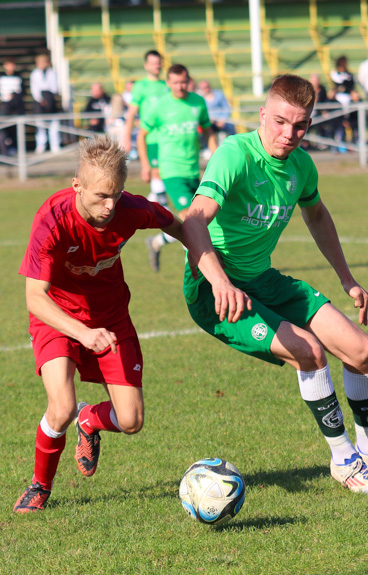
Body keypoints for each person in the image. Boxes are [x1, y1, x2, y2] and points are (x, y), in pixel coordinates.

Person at [180, 74, 368, 495]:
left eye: (300, 126)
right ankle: (343, 460)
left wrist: (346, 277)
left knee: (363, 350)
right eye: (280, 122)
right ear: (263, 114)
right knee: (309, 352)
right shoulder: (234, 155)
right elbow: (193, 220)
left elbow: (316, 215)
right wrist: (221, 282)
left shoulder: (301, 165)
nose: (288, 134)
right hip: (214, 291)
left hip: (261, 278)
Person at [12, 135, 184, 513]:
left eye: (117, 195)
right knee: (60, 406)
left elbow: (180, 225)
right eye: (100, 196)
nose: (109, 206)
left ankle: (90, 420)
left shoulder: (130, 209)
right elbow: (34, 297)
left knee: (132, 419)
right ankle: (40, 486)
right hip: (57, 316)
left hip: (110, 317)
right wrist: (83, 333)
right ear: (77, 186)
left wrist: (212, 267)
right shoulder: (52, 220)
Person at [138, 64, 216, 271]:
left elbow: (208, 131)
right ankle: (198, 268)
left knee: (201, 221)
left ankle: (157, 242)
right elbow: (141, 134)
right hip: (171, 171)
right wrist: (146, 164)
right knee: (189, 219)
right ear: (168, 82)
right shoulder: (159, 106)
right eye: (175, 82)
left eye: (183, 82)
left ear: (188, 80)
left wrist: (216, 157)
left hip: (193, 170)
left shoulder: (197, 102)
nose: (179, 86)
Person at [121, 50, 169, 202]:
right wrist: (127, 139)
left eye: (159, 62)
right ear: (146, 65)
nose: (157, 66)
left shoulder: (166, 86)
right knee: (155, 172)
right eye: (154, 63)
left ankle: (153, 200)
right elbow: (131, 115)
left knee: (163, 173)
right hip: (150, 137)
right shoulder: (141, 86)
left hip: (168, 137)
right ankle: (162, 204)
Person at [30, 53, 62, 153]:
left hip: (50, 98)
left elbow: (55, 87)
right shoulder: (34, 74)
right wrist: (40, 99)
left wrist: (49, 98)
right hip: (39, 100)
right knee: (40, 125)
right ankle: (41, 145)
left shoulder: (52, 72)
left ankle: (55, 145)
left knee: (54, 124)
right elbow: (34, 89)